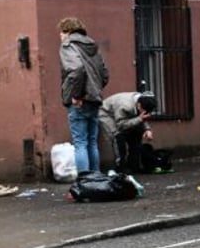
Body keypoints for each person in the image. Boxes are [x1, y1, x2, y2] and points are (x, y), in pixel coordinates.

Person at [58, 16, 110, 173]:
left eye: (61, 32)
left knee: (80, 142)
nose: (60, 36)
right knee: (92, 142)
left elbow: (76, 69)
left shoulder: (68, 45)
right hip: (94, 99)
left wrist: (76, 95)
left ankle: (84, 182)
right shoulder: (92, 45)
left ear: (67, 31)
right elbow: (104, 74)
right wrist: (95, 90)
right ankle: (96, 179)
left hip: (79, 100)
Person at [99, 91, 157, 174]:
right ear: (139, 105)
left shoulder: (144, 101)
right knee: (117, 135)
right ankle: (120, 166)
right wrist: (139, 119)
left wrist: (147, 130)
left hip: (126, 116)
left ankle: (134, 165)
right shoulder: (125, 105)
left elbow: (143, 117)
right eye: (144, 111)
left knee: (137, 134)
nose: (145, 114)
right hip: (107, 114)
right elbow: (121, 125)